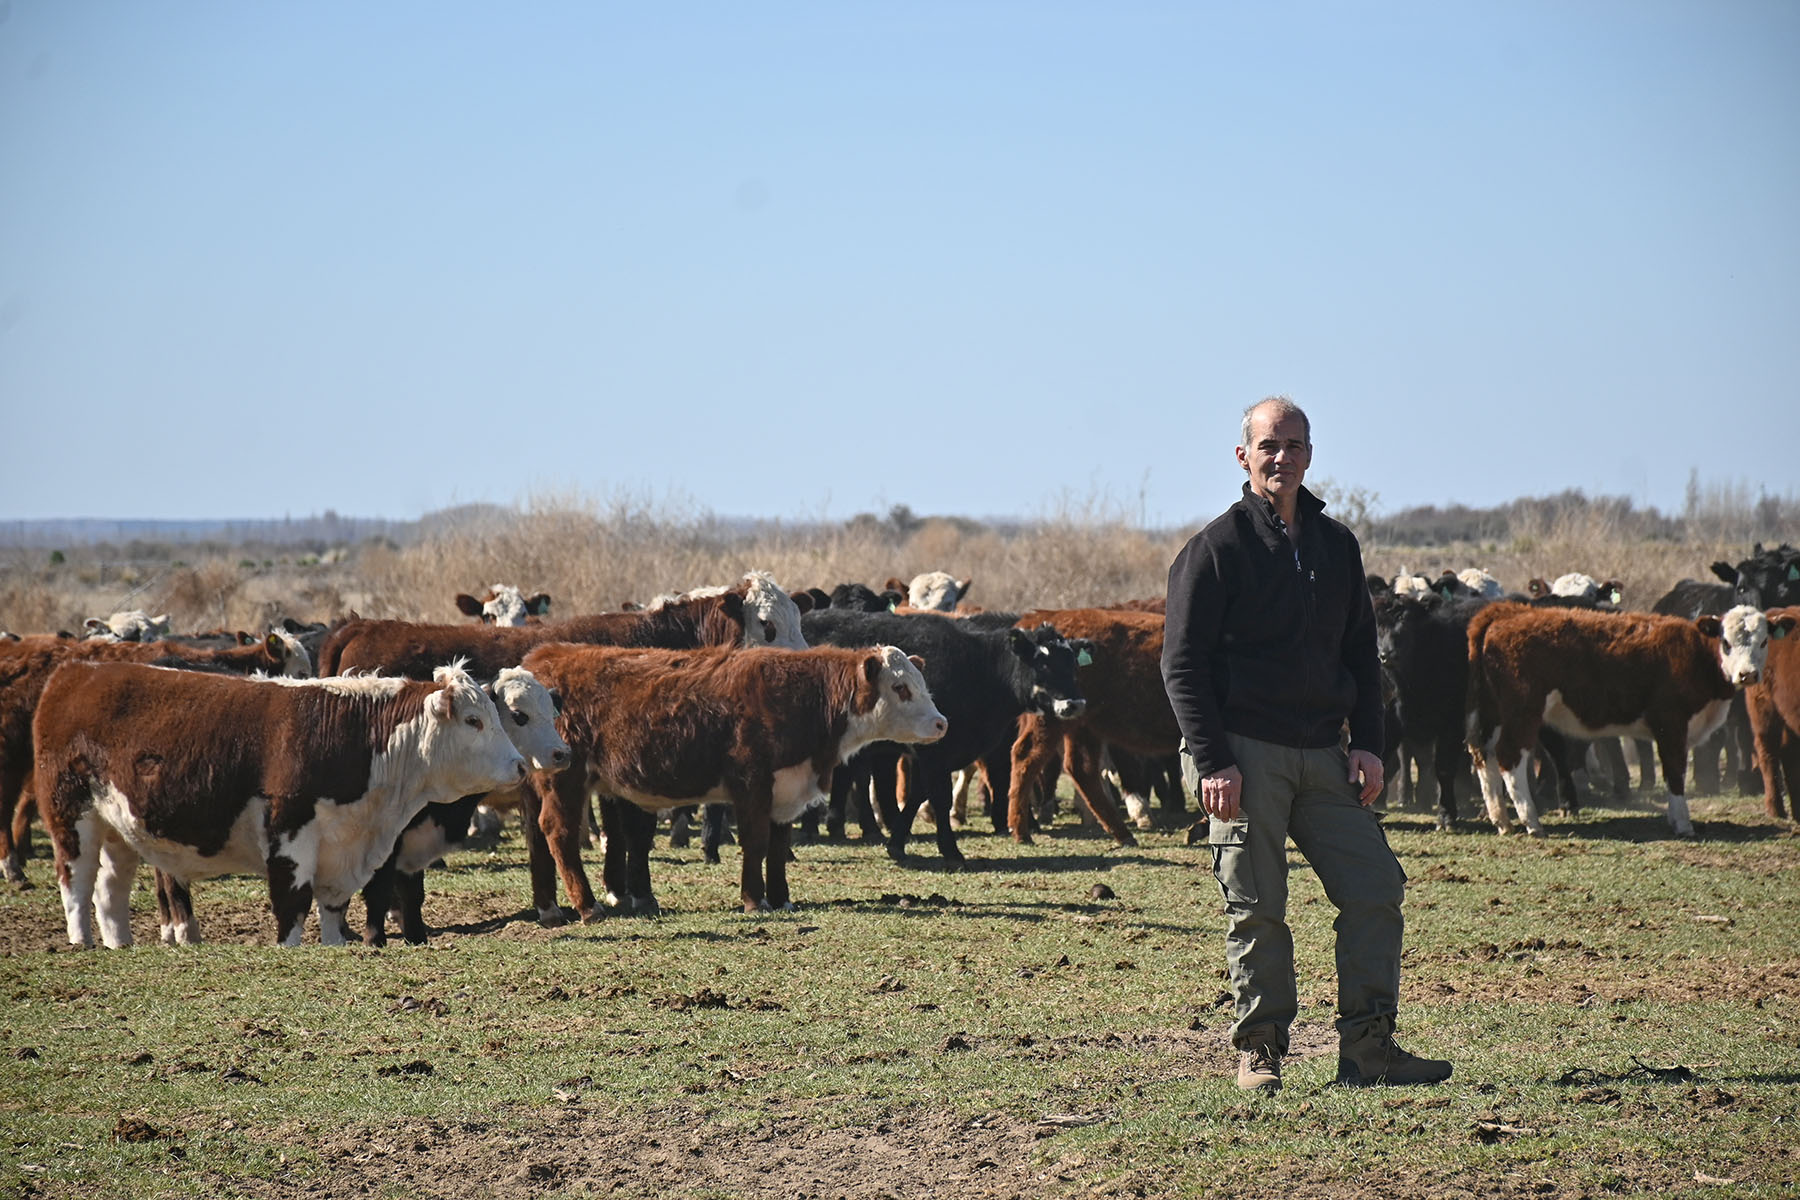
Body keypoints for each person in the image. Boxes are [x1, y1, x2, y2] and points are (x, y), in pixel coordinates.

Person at [1159, 396, 1451, 1091]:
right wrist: (1213, 760)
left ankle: (1369, 1050)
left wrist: (1369, 744)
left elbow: (1360, 656)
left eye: (1293, 446)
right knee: (1258, 905)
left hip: (1324, 751)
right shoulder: (1215, 549)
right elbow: (1181, 665)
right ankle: (1259, 1049)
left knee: (1375, 888)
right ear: (1243, 456)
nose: (1281, 457)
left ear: (1310, 456)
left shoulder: (1335, 545)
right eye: (1268, 445)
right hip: (1243, 753)